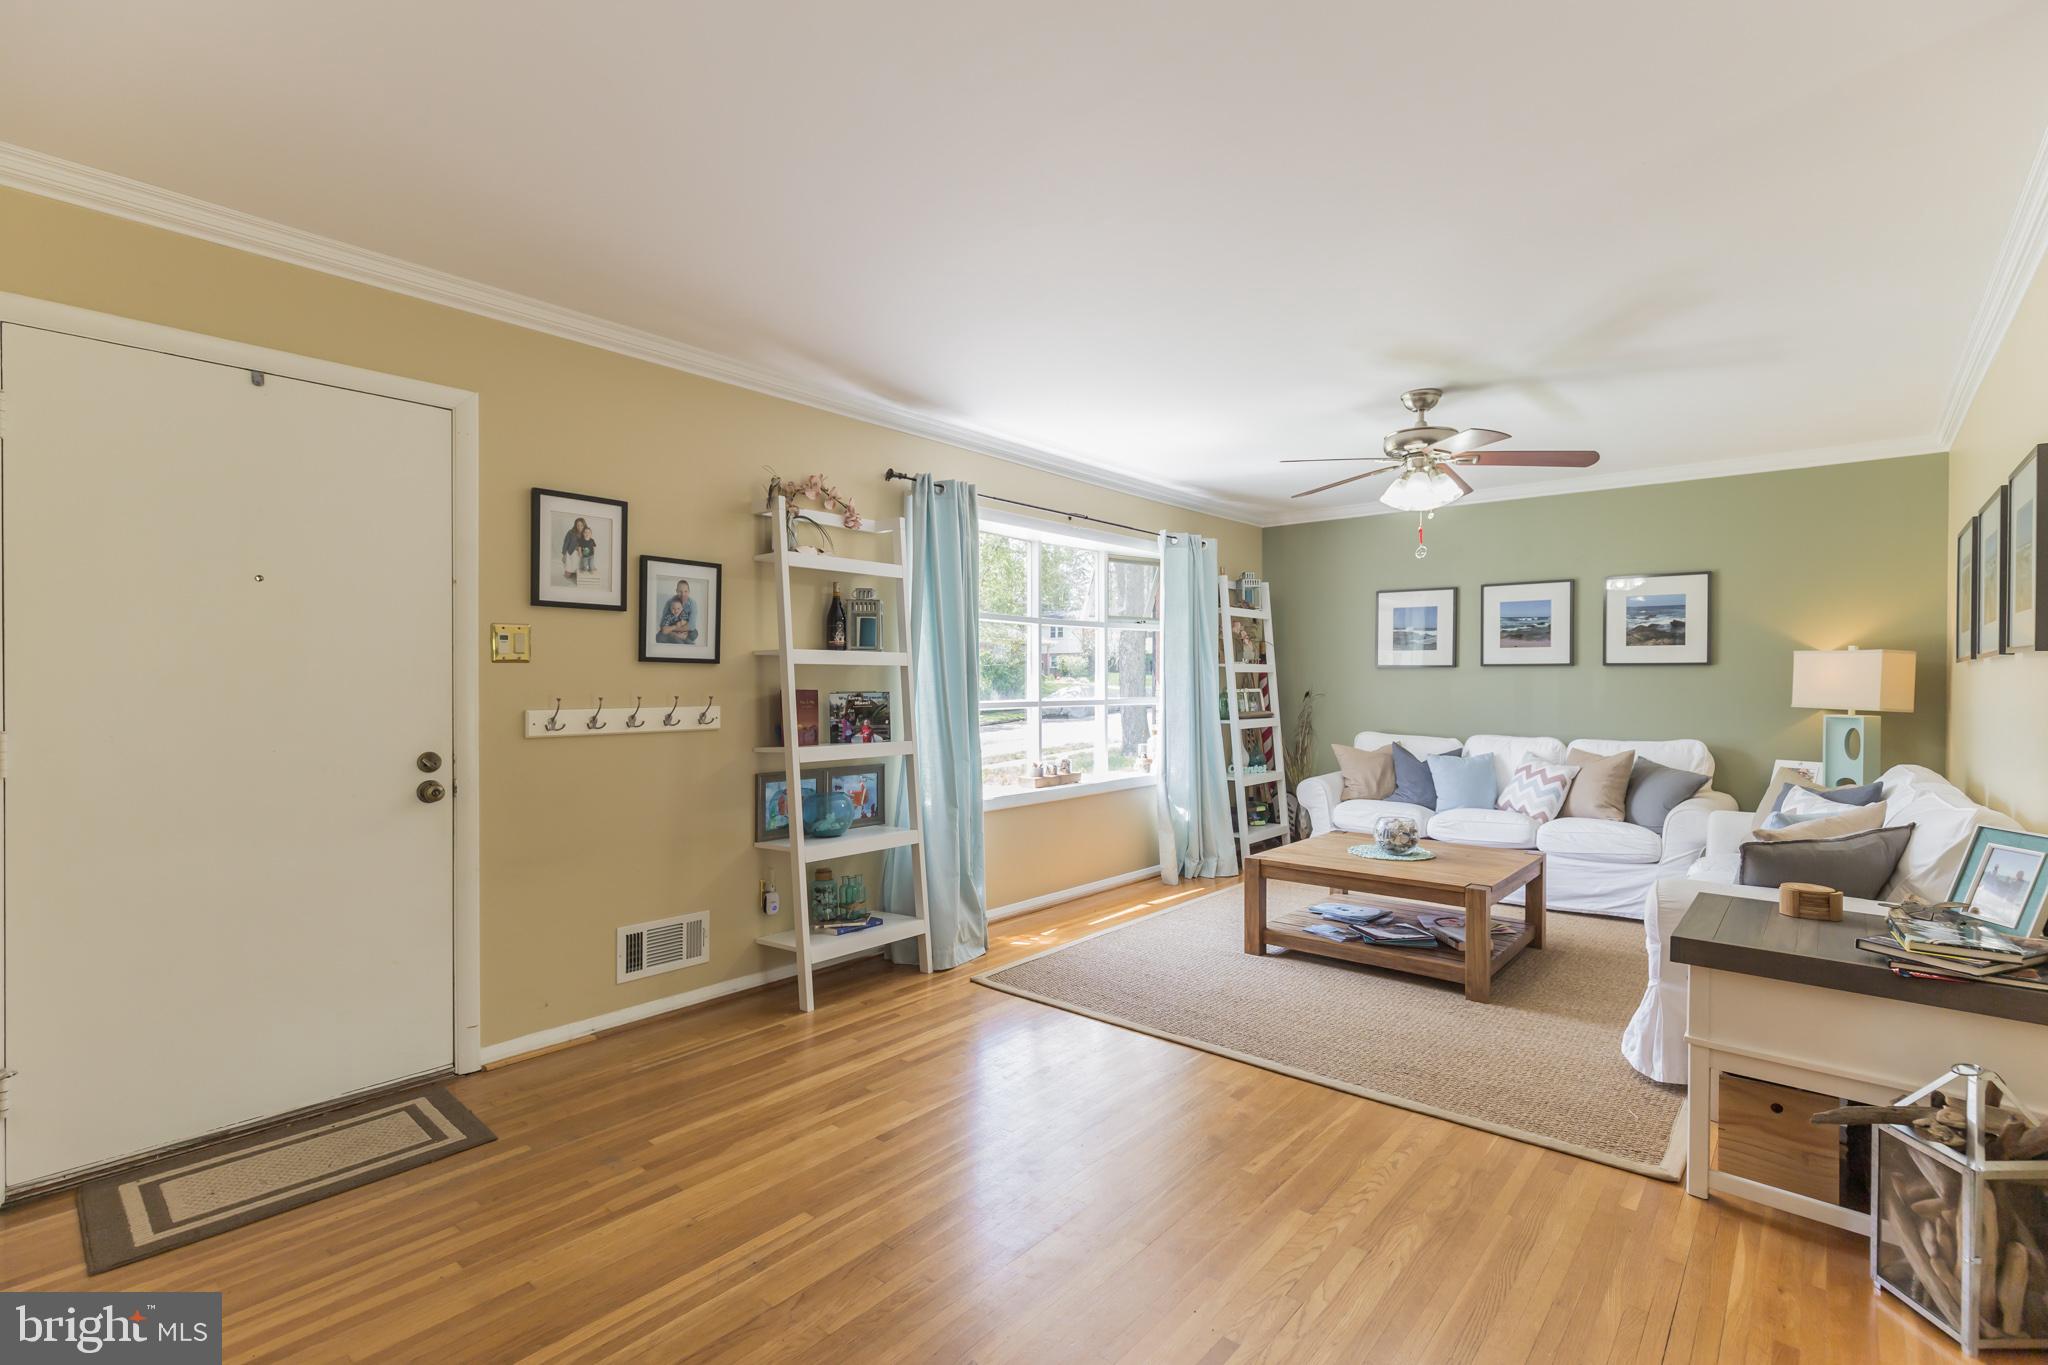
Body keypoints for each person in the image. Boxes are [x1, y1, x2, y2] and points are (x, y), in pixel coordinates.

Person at [655, 579, 697, 645]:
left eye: (685, 591)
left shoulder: (692, 603)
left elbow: (691, 626)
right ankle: (681, 639)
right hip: (671, 629)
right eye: (680, 591)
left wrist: (674, 629)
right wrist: (675, 632)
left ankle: (680, 639)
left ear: (689, 591)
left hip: (684, 631)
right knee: (658, 637)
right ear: (676, 591)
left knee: (694, 633)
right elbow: (662, 625)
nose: (683, 594)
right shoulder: (670, 602)